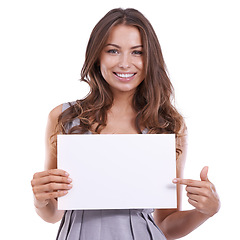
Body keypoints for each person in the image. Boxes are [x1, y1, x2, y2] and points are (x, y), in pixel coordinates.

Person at [31, 8, 220, 240]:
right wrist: (41, 199)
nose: (124, 63)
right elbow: (52, 214)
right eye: (113, 51)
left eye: (137, 52)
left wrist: (207, 211)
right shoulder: (65, 118)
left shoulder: (167, 125)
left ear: (150, 58)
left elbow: (167, 225)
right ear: (97, 55)